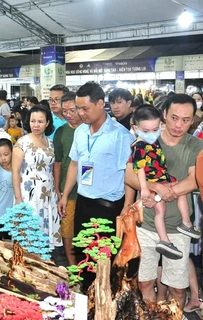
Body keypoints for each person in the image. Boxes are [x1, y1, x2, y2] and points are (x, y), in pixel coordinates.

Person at [125, 93, 203, 311]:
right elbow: (129, 176)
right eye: (175, 117)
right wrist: (155, 185)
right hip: (147, 225)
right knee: (145, 282)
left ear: (193, 120)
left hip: (178, 228)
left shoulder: (196, 145)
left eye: (186, 120)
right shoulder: (147, 137)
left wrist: (160, 193)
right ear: (164, 115)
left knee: (178, 288)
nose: (179, 125)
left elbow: (194, 180)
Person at [58, 82, 134, 290]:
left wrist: (127, 205)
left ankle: (106, 302)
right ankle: (87, 298)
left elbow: (128, 174)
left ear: (100, 104)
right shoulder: (81, 132)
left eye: (85, 108)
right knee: (84, 255)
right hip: (84, 203)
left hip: (108, 207)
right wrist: (65, 195)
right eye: (78, 108)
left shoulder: (120, 135)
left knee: (105, 261)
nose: (80, 113)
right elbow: (75, 163)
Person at [130, 104, 200, 259]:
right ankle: (164, 240)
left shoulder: (155, 141)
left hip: (163, 179)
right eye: (146, 131)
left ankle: (186, 223)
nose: (178, 124)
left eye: (155, 130)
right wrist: (148, 189)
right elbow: (136, 170)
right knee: (160, 210)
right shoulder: (139, 146)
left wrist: (165, 188)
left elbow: (193, 180)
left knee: (180, 191)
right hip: (152, 187)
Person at [12, 105, 62, 249]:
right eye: (33, 121)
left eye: (40, 121)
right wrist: (18, 199)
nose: (36, 125)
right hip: (28, 195)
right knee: (28, 237)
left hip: (48, 195)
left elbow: (52, 169)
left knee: (44, 237)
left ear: (47, 123)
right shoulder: (22, 143)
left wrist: (57, 192)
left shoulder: (51, 144)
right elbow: (15, 172)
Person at [53, 91, 81, 266]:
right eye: (65, 111)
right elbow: (58, 162)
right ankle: (72, 265)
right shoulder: (61, 132)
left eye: (73, 110)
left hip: (86, 190)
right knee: (67, 228)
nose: (69, 115)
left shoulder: (88, 129)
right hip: (67, 190)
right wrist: (57, 188)